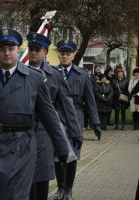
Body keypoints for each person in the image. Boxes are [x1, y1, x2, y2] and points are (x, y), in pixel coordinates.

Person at [0, 29, 69, 200]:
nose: (7, 53)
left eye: (11, 48)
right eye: (2, 49)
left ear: (18, 50)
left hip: (23, 146)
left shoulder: (34, 79)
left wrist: (62, 147)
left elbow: (49, 116)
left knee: (19, 195)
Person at [26, 33, 81, 200]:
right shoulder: (20, 72)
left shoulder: (55, 76)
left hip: (45, 132)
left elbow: (67, 105)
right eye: (31, 49)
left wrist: (75, 131)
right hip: (23, 132)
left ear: (45, 51)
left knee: (42, 175)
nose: (33, 53)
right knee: (24, 175)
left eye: (37, 50)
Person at [55, 40, 101, 200]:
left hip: (76, 117)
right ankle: (60, 188)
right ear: (58, 54)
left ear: (74, 55)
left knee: (73, 154)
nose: (65, 56)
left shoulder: (82, 75)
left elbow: (90, 101)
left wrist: (96, 122)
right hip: (58, 118)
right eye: (62, 53)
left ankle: (68, 190)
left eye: (68, 53)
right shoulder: (52, 73)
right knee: (58, 155)